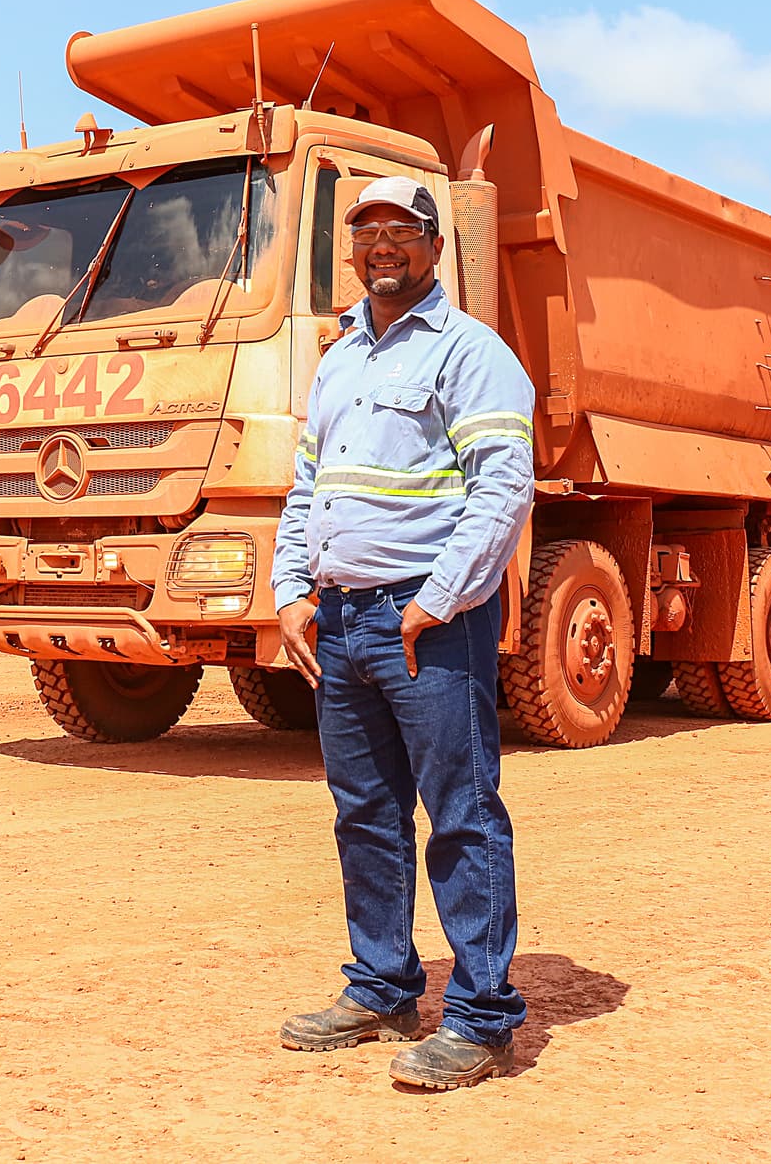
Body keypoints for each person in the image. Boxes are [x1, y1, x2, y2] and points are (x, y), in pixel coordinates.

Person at [270, 175, 536, 1090]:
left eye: (401, 230)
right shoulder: (340, 358)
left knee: (462, 813)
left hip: (429, 625)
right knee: (365, 813)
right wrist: (291, 589)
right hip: (341, 620)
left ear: (434, 245)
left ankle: (484, 1020)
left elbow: (503, 487)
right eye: (366, 232)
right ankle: (383, 988)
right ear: (351, 250)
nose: (382, 245)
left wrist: (437, 601)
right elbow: (308, 483)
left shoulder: (471, 351)